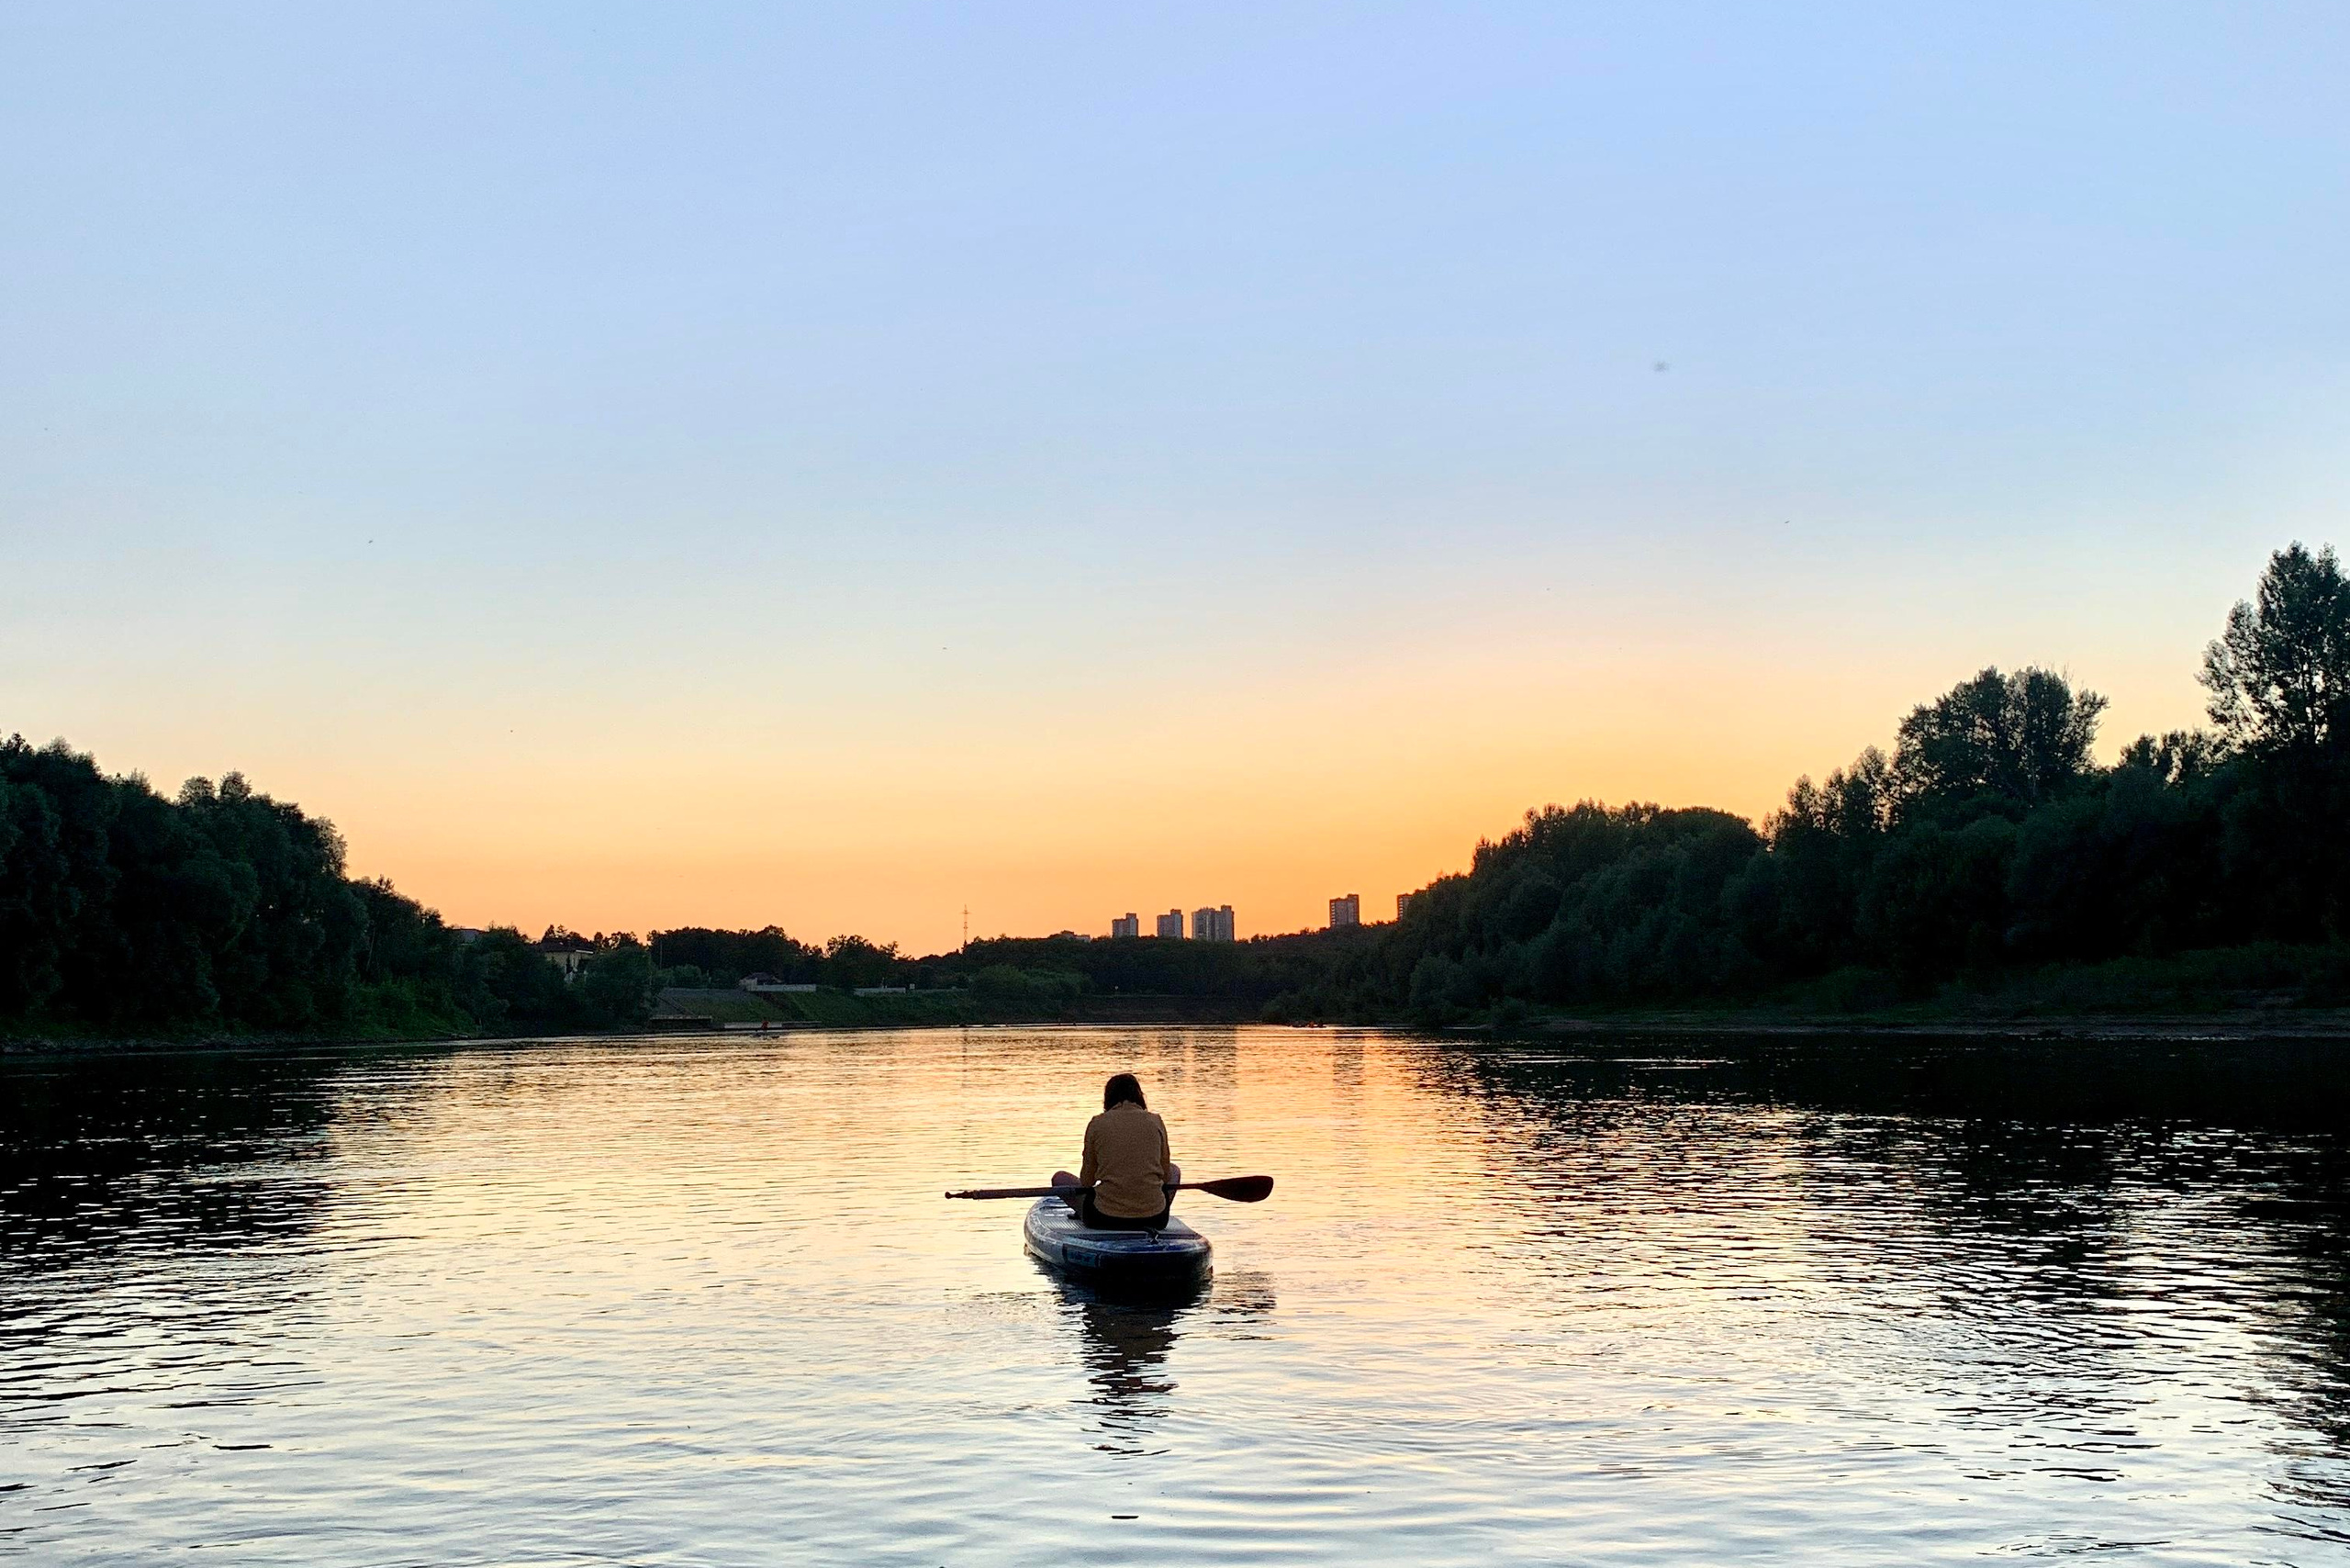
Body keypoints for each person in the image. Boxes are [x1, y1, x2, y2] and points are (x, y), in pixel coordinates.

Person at [1052, 1072, 1181, 1230]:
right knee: (1175, 1171)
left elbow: (1087, 1182)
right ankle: (1149, 1208)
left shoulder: (1097, 1123)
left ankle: (1082, 1212)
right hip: (1155, 1219)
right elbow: (1167, 1175)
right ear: (1139, 1096)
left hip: (1105, 1218)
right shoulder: (1156, 1121)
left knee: (1059, 1179)